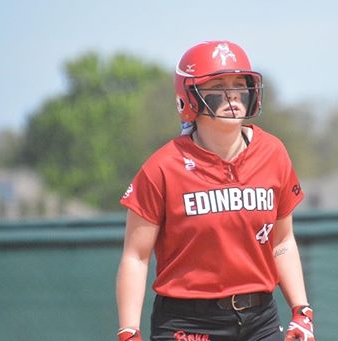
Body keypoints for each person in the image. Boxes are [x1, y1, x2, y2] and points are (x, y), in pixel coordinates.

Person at [116, 40, 315, 341]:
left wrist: (301, 310)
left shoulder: (273, 153)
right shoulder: (163, 167)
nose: (232, 94)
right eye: (218, 85)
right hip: (187, 322)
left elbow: (282, 241)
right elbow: (136, 256)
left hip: (260, 319)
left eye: (239, 84)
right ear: (189, 96)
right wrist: (129, 330)